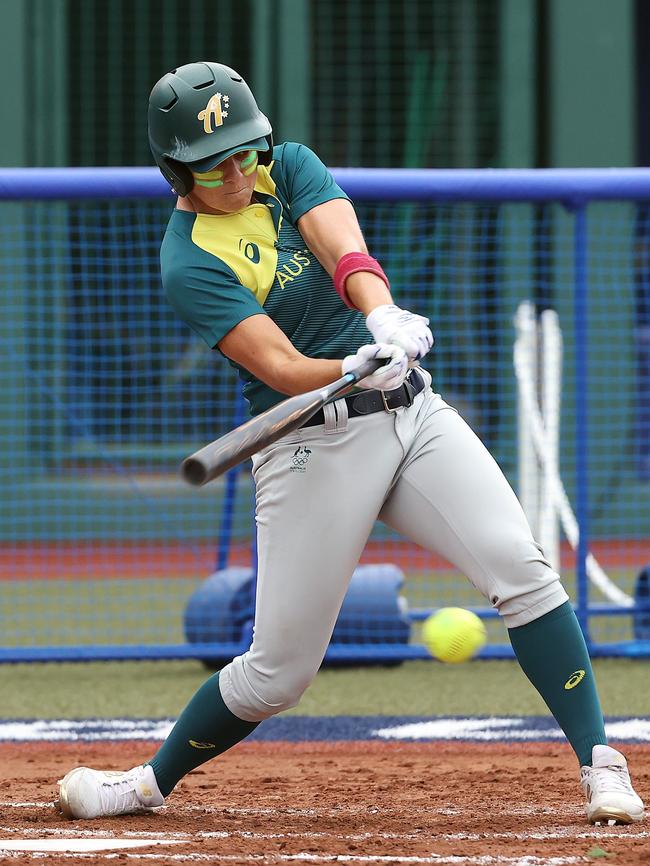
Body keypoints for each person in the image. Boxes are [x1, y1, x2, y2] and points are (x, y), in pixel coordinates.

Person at [57, 61, 644, 826]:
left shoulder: (289, 167)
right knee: (277, 675)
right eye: (216, 162)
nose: (239, 170)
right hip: (311, 446)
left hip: (409, 414)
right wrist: (345, 366)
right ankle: (146, 783)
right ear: (177, 168)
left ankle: (602, 764)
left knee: (523, 569)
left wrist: (382, 320)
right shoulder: (188, 258)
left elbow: (346, 256)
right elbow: (278, 365)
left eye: (247, 150)